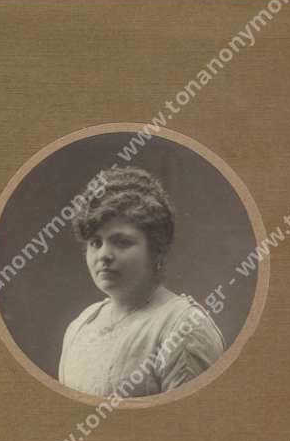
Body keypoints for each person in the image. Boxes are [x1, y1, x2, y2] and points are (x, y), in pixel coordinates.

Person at [58, 166, 224, 398]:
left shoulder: (183, 328)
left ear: (156, 250)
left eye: (122, 242)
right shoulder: (81, 326)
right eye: (96, 243)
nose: (104, 255)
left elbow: (190, 421)